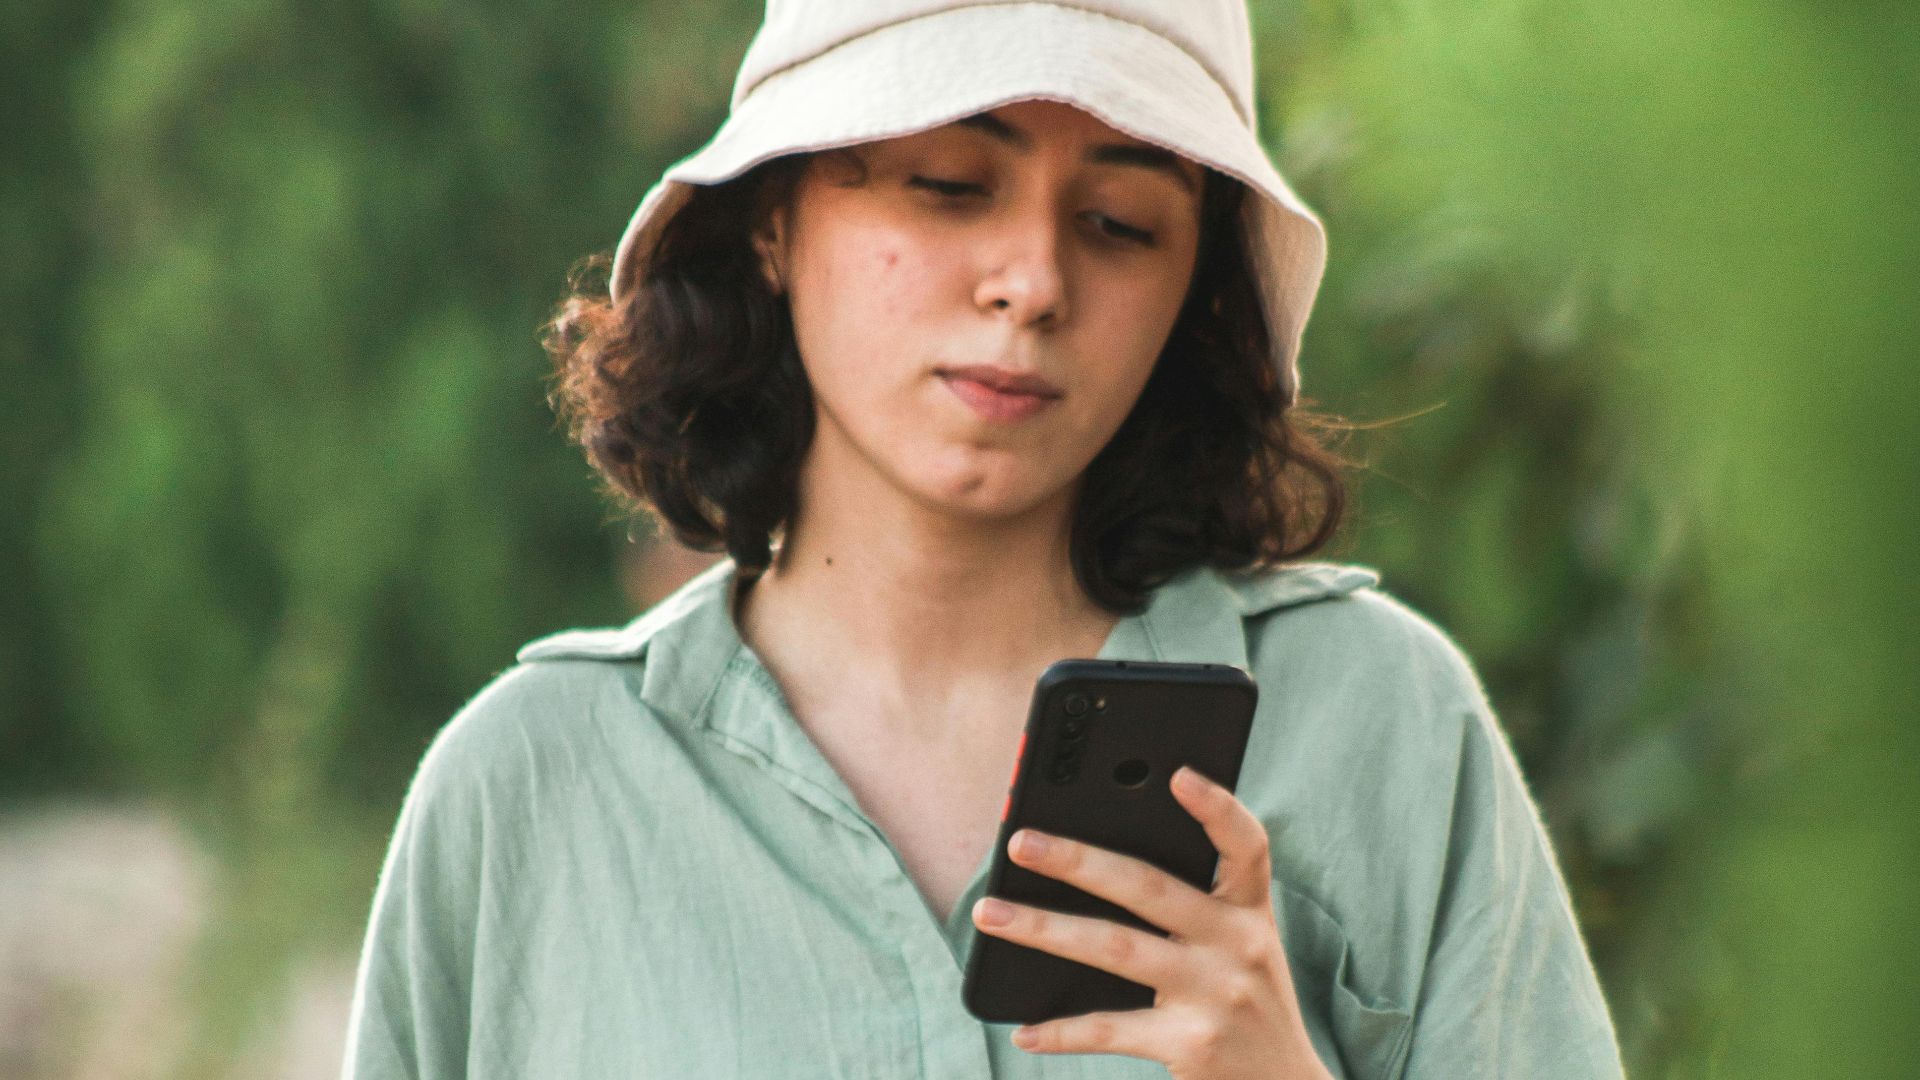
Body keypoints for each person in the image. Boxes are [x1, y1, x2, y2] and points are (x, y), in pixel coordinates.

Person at [340, 2, 1626, 1078]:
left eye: (1121, 224)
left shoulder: (1384, 729)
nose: (1033, 281)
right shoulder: (529, 798)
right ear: (776, 220)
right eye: (951, 185)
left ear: (1195, 287)